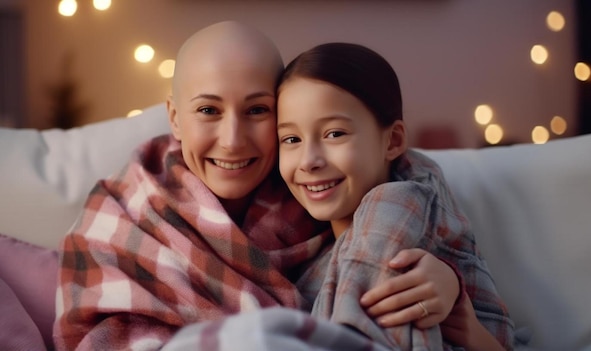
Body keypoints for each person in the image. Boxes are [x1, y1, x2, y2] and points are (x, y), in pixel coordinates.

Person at [54, 21, 461, 351]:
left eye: (257, 110)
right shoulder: (121, 211)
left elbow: (403, 184)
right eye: (209, 110)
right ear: (175, 118)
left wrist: (451, 288)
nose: (233, 139)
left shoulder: (324, 188)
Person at [276, 42, 516, 350]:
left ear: (393, 140)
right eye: (291, 139)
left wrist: (469, 325)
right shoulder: (297, 252)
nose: (309, 160)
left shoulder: (399, 203)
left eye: (335, 134)